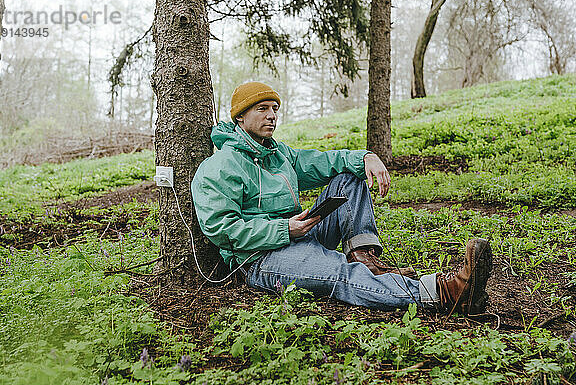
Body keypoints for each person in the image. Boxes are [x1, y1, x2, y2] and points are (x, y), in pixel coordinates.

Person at [191, 81, 492, 313]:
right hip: (262, 258)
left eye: (275, 109)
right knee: (338, 271)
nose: (271, 116)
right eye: (262, 109)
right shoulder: (219, 166)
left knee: (349, 177)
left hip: (300, 235)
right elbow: (222, 230)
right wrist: (284, 230)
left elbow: (324, 163)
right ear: (240, 117)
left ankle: (367, 261)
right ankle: (445, 293)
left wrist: (366, 157)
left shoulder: (279, 154)